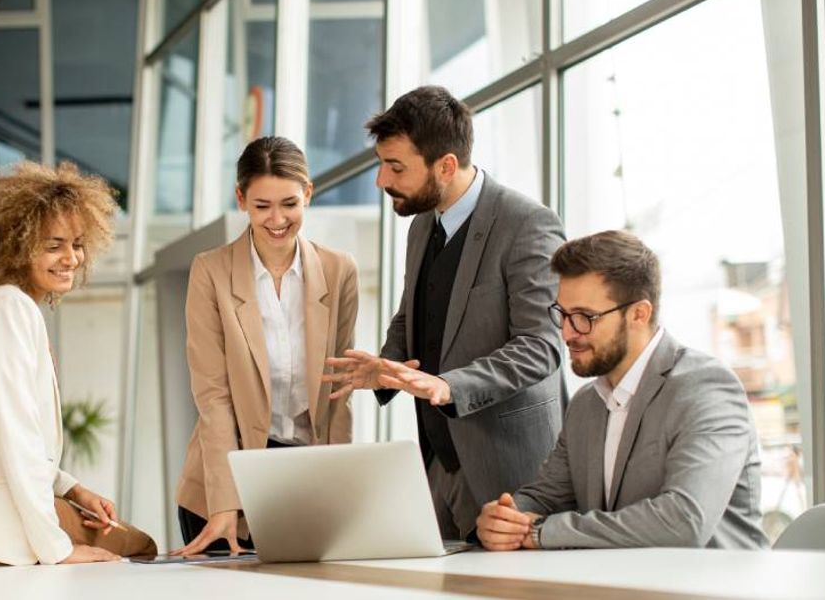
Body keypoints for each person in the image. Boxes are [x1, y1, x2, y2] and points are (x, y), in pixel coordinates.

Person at [323, 85, 565, 541]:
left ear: (446, 165)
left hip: (510, 471)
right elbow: (412, 311)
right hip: (438, 462)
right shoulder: (421, 226)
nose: (381, 181)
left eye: (395, 167)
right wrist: (386, 365)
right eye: (381, 164)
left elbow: (542, 346)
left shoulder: (527, 224)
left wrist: (448, 385)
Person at [0, 161, 156, 566]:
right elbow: (16, 438)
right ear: (13, 246)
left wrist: (72, 490)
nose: (70, 258)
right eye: (53, 245)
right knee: (140, 545)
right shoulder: (10, 309)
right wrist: (58, 549)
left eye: (77, 243)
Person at [475, 230, 766, 550]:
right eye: (563, 314)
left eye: (585, 317)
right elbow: (546, 495)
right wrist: (506, 518)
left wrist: (540, 532)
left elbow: (683, 521)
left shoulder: (707, 389)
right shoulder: (587, 403)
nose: (568, 333)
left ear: (639, 314)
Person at [173, 136, 359, 555]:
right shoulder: (211, 272)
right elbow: (213, 397)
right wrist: (225, 504)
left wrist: (340, 491)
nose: (278, 219)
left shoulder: (339, 270)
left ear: (308, 194)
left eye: (289, 204)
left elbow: (339, 391)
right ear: (241, 199)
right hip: (225, 482)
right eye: (262, 206)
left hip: (304, 477)